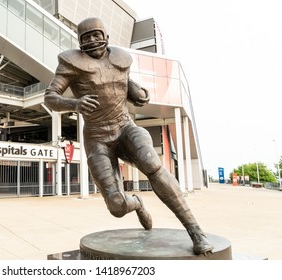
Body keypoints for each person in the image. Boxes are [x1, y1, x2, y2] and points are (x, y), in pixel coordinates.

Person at [44, 17, 213, 255]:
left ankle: (196, 232)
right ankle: (137, 203)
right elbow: (50, 97)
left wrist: (136, 92)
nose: (92, 40)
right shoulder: (70, 63)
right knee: (116, 206)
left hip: (125, 128)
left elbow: (122, 83)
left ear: (106, 37)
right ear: (79, 42)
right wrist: (75, 103)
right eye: (86, 37)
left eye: (96, 34)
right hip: (97, 138)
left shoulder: (120, 59)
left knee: (153, 164)